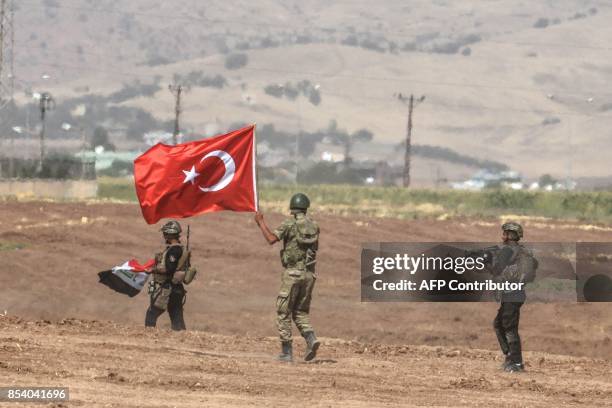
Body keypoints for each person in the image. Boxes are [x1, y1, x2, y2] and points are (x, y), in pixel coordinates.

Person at [254, 193, 321, 362]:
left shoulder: (289, 224)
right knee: (300, 312)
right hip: (309, 274)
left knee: (283, 312)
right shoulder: (314, 226)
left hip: (292, 274)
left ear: (292, 208)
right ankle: (311, 338)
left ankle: (286, 352)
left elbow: (271, 239)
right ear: (306, 207)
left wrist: (261, 222)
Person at [491, 221, 533, 373]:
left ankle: (516, 362)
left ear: (510, 235)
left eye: (504, 233)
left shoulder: (508, 251)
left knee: (509, 328)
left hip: (512, 294)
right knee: (498, 324)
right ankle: (510, 357)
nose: (502, 236)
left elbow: (497, 269)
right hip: (516, 294)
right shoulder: (521, 251)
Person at [145, 220, 189, 331]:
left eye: (165, 233)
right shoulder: (182, 250)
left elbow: (169, 270)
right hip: (178, 289)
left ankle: (148, 340)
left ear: (169, 234)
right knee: (176, 317)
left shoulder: (173, 250)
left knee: (151, 314)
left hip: (168, 288)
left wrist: (152, 270)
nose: (164, 236)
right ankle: (182, 340)